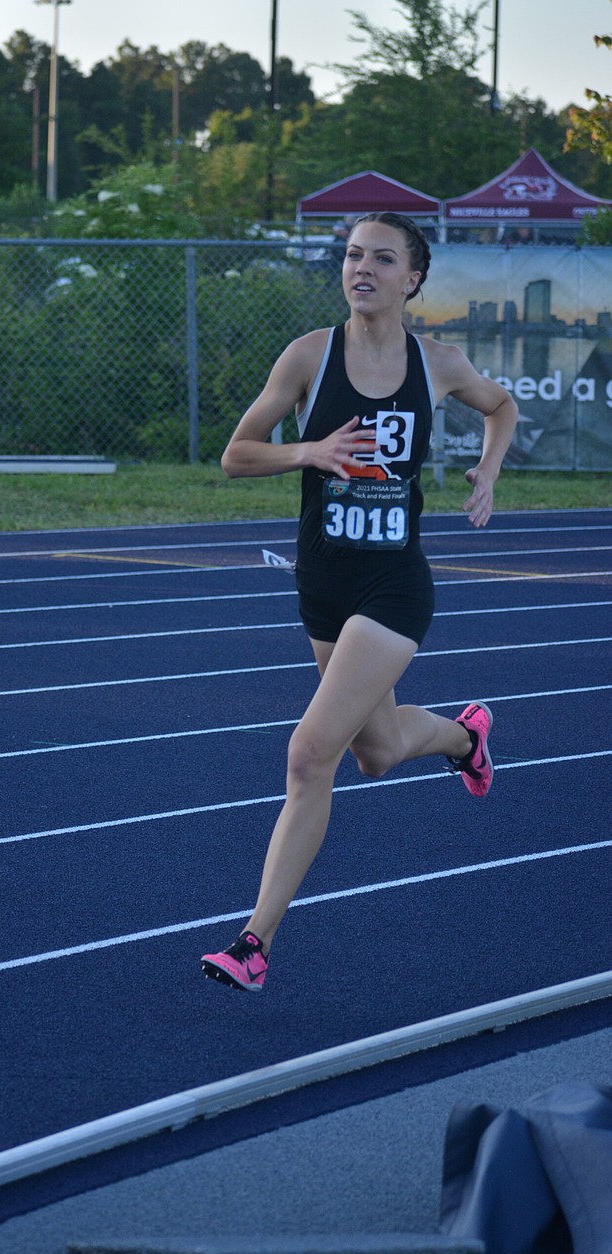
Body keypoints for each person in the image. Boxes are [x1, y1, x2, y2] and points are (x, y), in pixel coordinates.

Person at [200, 211, 518, 993]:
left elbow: (501, 406)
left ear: (413, 278)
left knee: (311, 755)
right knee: (376, 752)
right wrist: (310, 450)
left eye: (381, 258)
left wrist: (488, 469)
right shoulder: (310, 355)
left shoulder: (436, 363)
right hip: (324, 584)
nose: (360, 268)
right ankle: (463, 738)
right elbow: (236, 455)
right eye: (351, 255)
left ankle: (254, 942)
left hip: (393, 586)